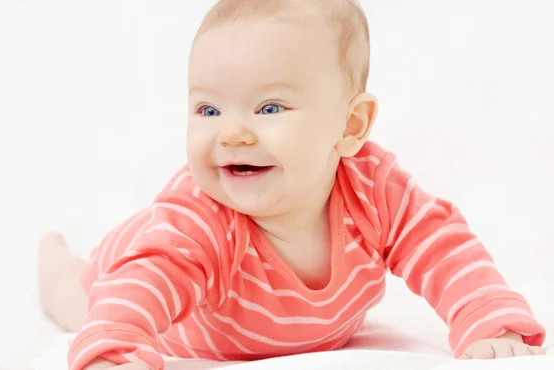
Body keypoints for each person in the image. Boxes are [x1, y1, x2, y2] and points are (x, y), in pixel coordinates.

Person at [38, 1, 547, 369]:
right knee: (76, 298)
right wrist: (116, 345)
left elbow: (440, 246)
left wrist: (485, 315)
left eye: (270, 108)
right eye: (208, 109)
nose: (233, 133)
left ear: (350, 126)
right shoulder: (200, 218)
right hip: (132, 275)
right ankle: (54, 259)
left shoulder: (372, 188)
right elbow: (144, 282)